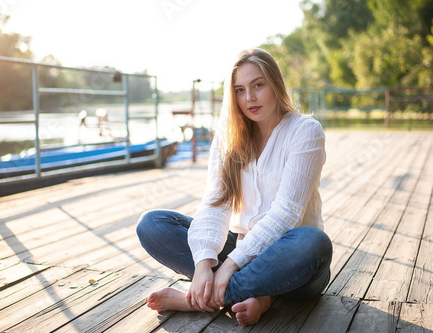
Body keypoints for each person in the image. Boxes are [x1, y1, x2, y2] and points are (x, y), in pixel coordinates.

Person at [136, 48, 332, 327]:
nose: (249, 98)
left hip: (291, 261)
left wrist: (228, 266)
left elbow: (286, 213)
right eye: (239, 90)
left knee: (314, 242)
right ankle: (254, 294)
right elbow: (215, 203)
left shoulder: (305, 131)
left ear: (275, 84)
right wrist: (205, 263)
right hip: (242, 247)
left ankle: (194, 299)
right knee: (153, 224)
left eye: (258, 85)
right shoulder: (229, 137)